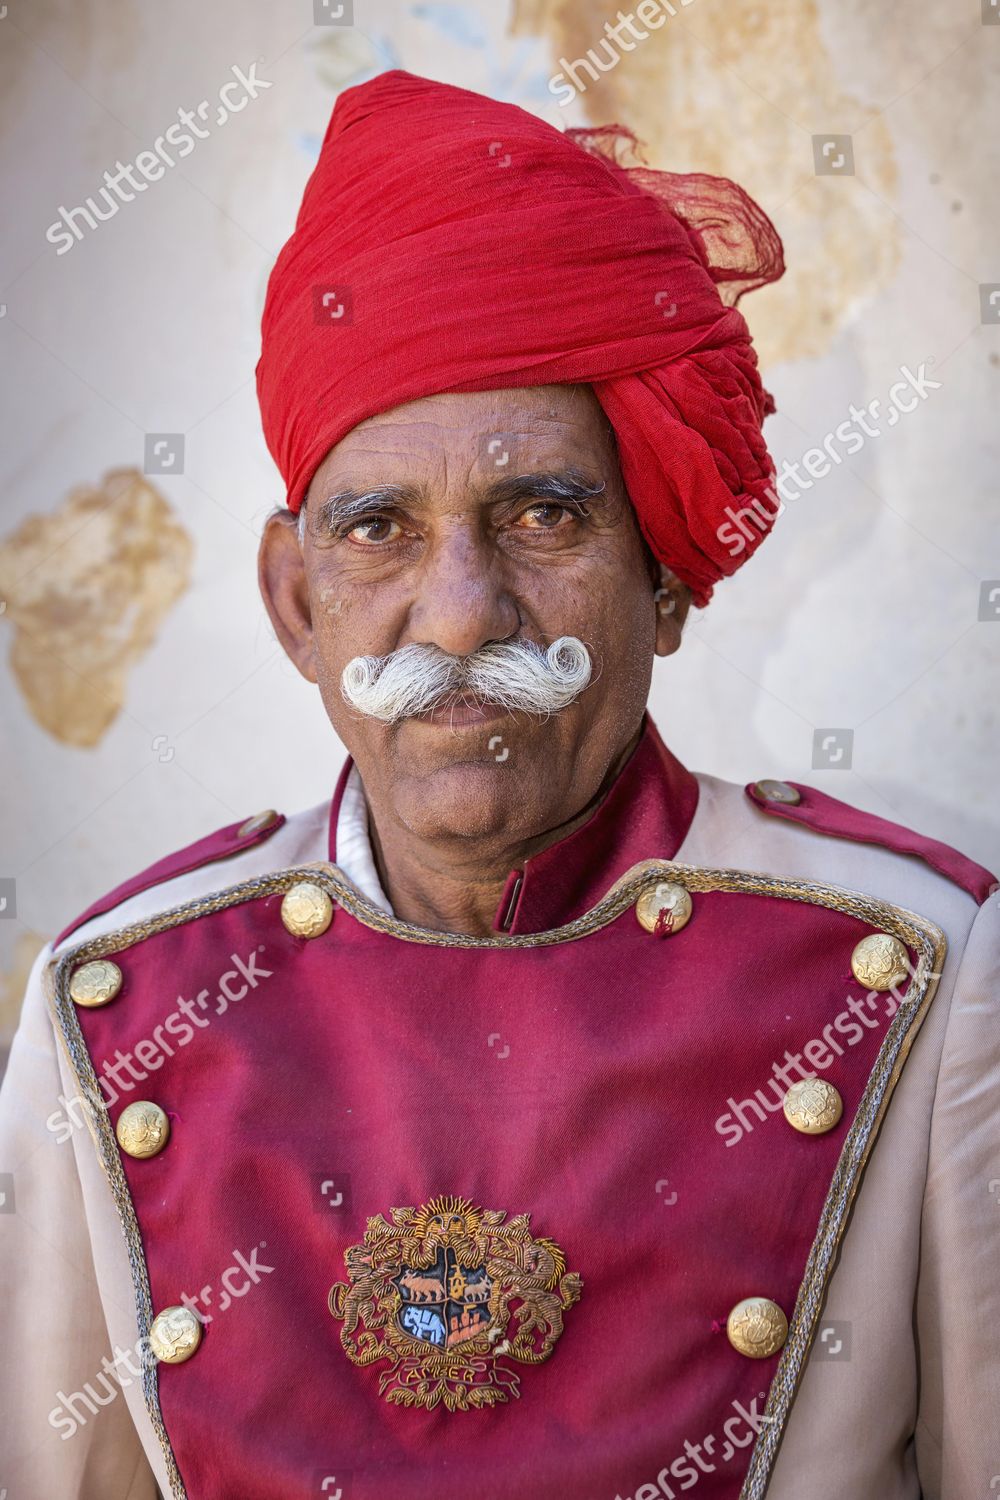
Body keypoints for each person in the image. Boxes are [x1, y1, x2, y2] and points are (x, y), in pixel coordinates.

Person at [1, 69, 996, 1500]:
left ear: (663, 578)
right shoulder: (117, 1004)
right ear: (297, 607)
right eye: (380, 532)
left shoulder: (926, 968)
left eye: (543, 513)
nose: (462, 613)